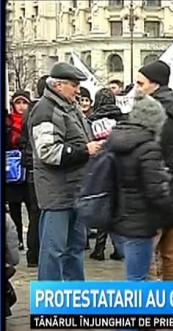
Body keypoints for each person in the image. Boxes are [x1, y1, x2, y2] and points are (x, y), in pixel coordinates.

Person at [107, 93, 173, 331]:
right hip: (140, 221)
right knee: (136, 282)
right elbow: (155, 189)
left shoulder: (118, 140)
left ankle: (129, 330)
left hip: (121, 218)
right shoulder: (147, 146)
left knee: (134, 277)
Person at [29, 62, 103, 281]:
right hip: (57, 195)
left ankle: (74, 299)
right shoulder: (46, 110)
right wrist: (85, 150)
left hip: (75, 191)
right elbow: (48, 152)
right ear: (58, 85)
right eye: (74, 84)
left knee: (75, 249)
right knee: (54, 251)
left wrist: (94, 147)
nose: (78, 90)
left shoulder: (70, 108)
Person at [135, 60, 173, 281]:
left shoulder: (149, 110)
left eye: (141, 83)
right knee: (171, 255)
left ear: (155, 84)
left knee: (143, 255)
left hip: (152, 194)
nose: (137, 88)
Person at [87, 88, 127, 261]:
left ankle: (100, 249)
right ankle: (119, 248)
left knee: (104, 207)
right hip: (120, 165)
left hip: (99, 166)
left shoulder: (90, 121)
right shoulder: (122, 119)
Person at [19, 75, 49, 267]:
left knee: (34, 213)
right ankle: (36, 253)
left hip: (31, 167)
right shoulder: (42, 111)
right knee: (39, 213)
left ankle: (33, 254)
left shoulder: (31, 111)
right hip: (39, 168)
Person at [6, 90, 32, 252]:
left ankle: (32, 241)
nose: (21, 107)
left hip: (27, 169)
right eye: (18, 103)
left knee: (31, 207)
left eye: (24, 103)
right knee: (14, 207)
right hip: (11, 172)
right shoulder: (7, 122)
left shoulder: (31, 120)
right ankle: (18, 241)